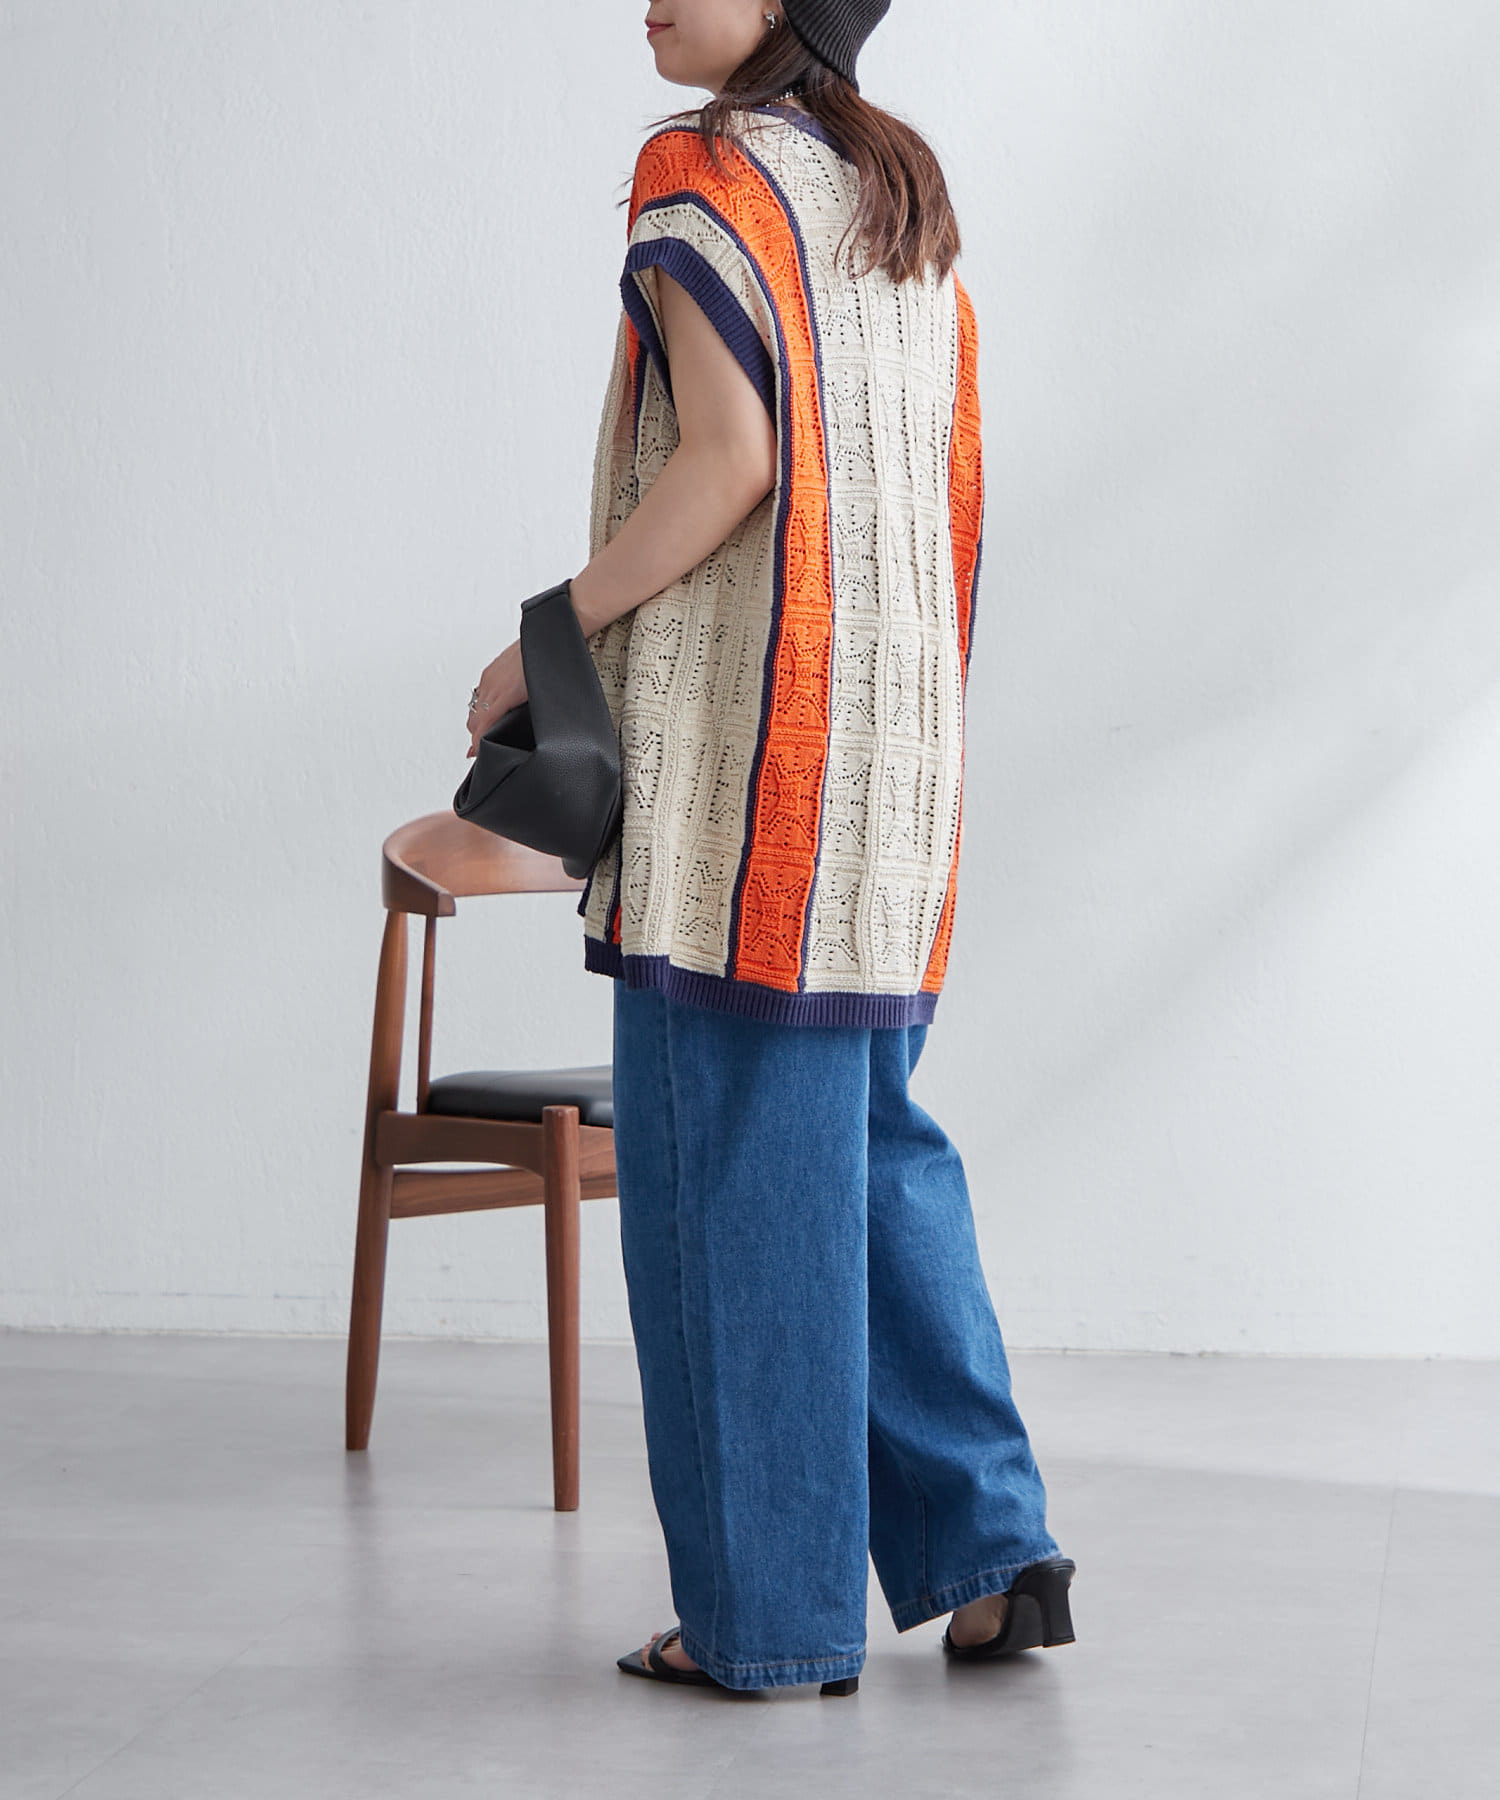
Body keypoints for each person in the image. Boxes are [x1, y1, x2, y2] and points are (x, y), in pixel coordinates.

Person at [465, 0, 1076, 1696]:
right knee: (871, 1151)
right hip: (891, 770)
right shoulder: (898, 193)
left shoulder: (705, 172)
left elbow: (730, 459)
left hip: (748, 777)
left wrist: (547, 635)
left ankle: (766, 1622)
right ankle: (992, 1552)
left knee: (728, 1186)